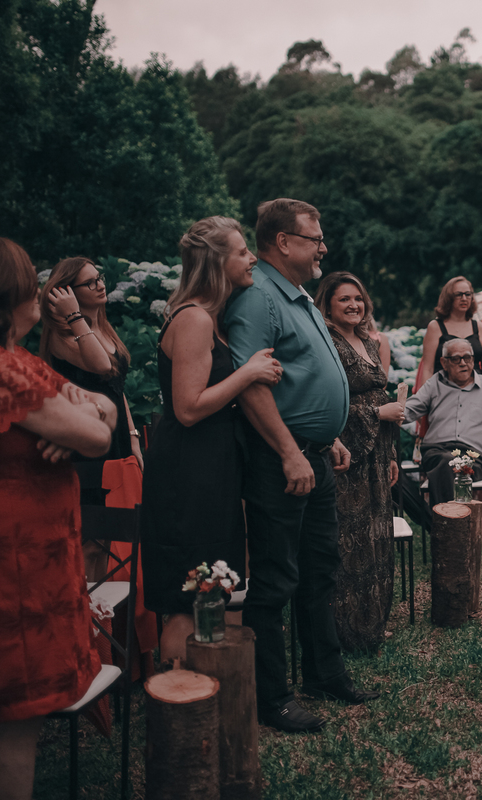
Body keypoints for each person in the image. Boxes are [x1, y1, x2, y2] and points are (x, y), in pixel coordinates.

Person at [0, 234, 116, 800]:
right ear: (4, 291)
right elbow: (95, 432)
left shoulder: (14, 360)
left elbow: (100, 401)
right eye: (29, 278)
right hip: (11, 566)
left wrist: (87, 414)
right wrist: (83, 423)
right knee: (17, 713)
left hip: (25, 558)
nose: (39, 289)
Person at [224, 198, 373, 733]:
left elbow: (304, 375)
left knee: (319, 570)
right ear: (284, 242)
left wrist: (323, 437)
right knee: (276, 580)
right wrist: (289, 450)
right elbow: (252, 384)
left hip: (315, 455)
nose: (323, 248)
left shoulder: (297, 293)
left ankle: (324, 672)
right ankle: (273, 697)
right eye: (315, 238)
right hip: (279, 462)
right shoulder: (257, 297)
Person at [142, 217, 282, 663]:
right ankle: (178, 710)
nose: (253, 259)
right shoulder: (195, 320)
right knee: (188, 599)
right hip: (188, 476)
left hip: (213, 471)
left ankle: (210, 701)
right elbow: (187, 408)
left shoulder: (213, 319)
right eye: (243, 252)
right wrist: (248, 373)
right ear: (216, 262)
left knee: (213, 588)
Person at [314, 271, 403, 652]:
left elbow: (381, 393)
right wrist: (378, 416)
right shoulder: (327, 343)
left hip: (378, 453)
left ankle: (371, 622)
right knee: (349, 542)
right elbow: (325, 405)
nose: (353, 305)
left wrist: (393, 452)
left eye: (358, 298)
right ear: (328, 306)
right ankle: (345, 631)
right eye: (344, 300)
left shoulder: (368, 341)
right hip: (346, 454)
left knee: (375, 536)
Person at [39, 257, 143, 482]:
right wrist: (74, 315)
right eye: (90, 283)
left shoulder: (102, 328)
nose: (101, 285)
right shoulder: (62, 336)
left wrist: (133, 436)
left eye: (99, 278)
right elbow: (102, 366)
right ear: (67, 293)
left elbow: (117, 385)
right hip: (88, 442)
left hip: (117, 433)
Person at [403, 337, 482, 504]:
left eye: (468, 357)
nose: (463, 363)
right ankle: (454, 523)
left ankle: (445, 523)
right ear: (444, 363)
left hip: (473, 456)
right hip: (436, 452)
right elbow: (409, 410)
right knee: (446, 462)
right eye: (456, 358)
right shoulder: (434, 383)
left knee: (452, 466)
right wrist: (388, 412)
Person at [417, 275, 482, 390]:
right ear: (448, 298)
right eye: (459, 294)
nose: (464, 298)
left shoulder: (478, 326)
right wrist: (425, 399)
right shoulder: (435, 327)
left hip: (475, 390)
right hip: (443, 391)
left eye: (468, 294)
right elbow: (427, 369)